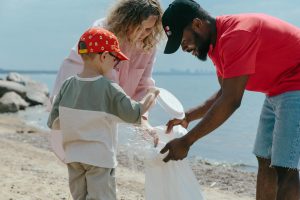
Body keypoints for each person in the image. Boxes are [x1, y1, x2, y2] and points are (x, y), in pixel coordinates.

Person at [160, 0, 300, 199]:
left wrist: (187, 141)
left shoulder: (236, 36)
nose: (184, 48)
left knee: (284, 166)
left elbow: (232, 100)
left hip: (295, 84)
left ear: (197, 24)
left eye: (183, 41)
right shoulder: (217, 45)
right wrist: (187, 117)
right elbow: (224, 93)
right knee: (264, 158)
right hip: (277, 89)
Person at [47, 27, 159, 200]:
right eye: (115, 60)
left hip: (73, 156)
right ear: (104, 56)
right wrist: (151, 95)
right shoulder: (109, 88)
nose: (116, 65)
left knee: (80, 196)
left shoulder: (67, 85)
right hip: (99, 158)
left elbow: (54, 121)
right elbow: (133, 113)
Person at [51, 0, 163, 129]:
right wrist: (151, 95)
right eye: (138, 27)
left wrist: (142, 119)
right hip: (81, 107)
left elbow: (143, 83)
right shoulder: (101, 33)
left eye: (148, 29)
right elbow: (81, 71)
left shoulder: (148, 45)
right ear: (126, 19)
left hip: (110, 115)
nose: (141, 34)